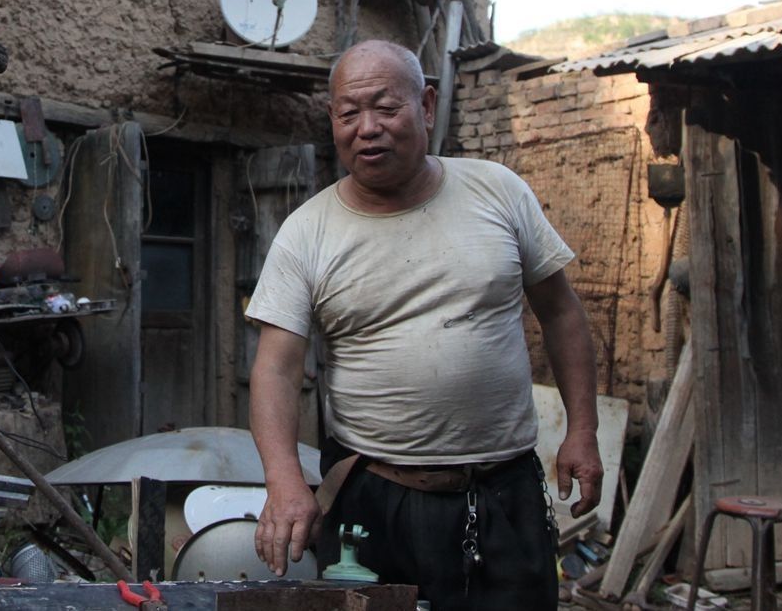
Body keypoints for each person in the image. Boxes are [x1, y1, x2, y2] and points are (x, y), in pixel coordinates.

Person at [247, 39, 603, 610]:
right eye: (348, 113)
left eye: (386, 108)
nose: (367, 128)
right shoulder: (306, 232)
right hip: (372, 496)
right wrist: (284, 479)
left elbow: (561, 314)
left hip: (504, 491)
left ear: (427, 106)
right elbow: (276, 367)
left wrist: (581, 431)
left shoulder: (498, 191)